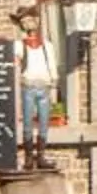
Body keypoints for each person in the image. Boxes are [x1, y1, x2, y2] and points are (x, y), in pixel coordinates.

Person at [17, 13, 57, 161]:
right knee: (27, 121)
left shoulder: (47, 45)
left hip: (44, 86)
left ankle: (41, 155)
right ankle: (28, 156)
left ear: (36, 21)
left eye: (29, 20)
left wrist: (54, 79)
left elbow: (51, 63)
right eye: (24, 22)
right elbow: (14, 61)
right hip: (28, 85)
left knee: (44, 121)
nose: (28, 24)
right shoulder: (20, 44)